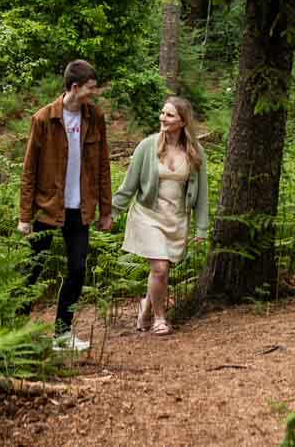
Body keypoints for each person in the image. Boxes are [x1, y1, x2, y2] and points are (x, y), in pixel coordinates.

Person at [18, 59, 113, 352]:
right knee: (33, 270)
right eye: (91, 88)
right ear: (75, 87)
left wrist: (105, 210)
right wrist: (25, 216)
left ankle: (62, 333)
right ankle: (13, 332)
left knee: (78, 269)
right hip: (48, 207)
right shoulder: (44, 119)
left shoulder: (95, 118)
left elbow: (102, 166)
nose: (94, 93)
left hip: (80, 209)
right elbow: (29, 170)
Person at [113, 95, 209, 335]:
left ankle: (146, 306)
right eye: (162, 113)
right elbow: (129, 184)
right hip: (148, 215)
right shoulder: (147, 146)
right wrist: (112, 211)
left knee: (162, 268)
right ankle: (159, 318)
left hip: (176, 218)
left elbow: (202, 193)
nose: (162, 118)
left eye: (169, 115)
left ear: (183, 122)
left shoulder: (195, 152)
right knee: (160, 268)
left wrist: (201, 227)